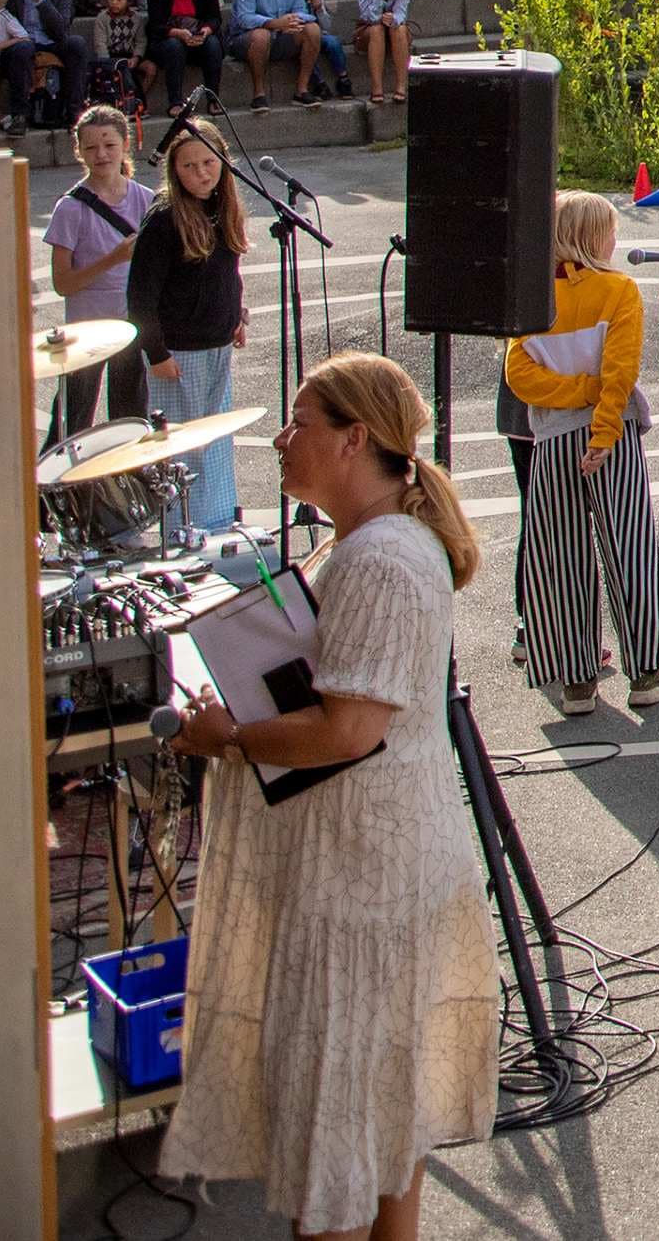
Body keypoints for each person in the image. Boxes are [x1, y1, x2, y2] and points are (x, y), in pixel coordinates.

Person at [159, 353, 495, 1237]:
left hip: (367, 888)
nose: (280, 437)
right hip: (377, 873)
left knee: (340, 1149)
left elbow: (348, 731)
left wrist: (230, 738)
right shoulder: (369, 542)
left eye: (298, 422)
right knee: (382, 1135)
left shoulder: (382, 559)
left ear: (354, 440)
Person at [502, 191, 659, 712]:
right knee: (629, 550)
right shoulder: (618, 290)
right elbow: (619, 375)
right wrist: (600, 426)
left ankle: (576, 677)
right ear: (593, 237)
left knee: (563, 556)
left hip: (551, 437)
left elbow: (520, 375)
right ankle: (646, 671)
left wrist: (572, 394)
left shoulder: (532, 299)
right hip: (611, 437)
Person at [125, 116, 250, 532]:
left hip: (216, 344)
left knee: (214, 444)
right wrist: (156, 354)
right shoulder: (164, 217)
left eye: (208, 164)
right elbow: (140, 297)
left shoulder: (221, 206)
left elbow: (226, 272)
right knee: (183, 450)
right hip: (179, 353)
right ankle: (181, 528)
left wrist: (237, 315)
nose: (201, 173)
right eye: (189, 167)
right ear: (174, 172)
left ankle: (215, 521)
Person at [44, 105, 154, 427]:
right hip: (85, 331)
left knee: (130, 420)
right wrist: (113, 259)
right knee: (71, 423)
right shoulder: (70, 207)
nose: (101, 154)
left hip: (131, 324)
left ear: (125, 145)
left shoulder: (146, 199)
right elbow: (63, 284)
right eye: (91, 148)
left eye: (109, 146)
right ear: (79, 152)